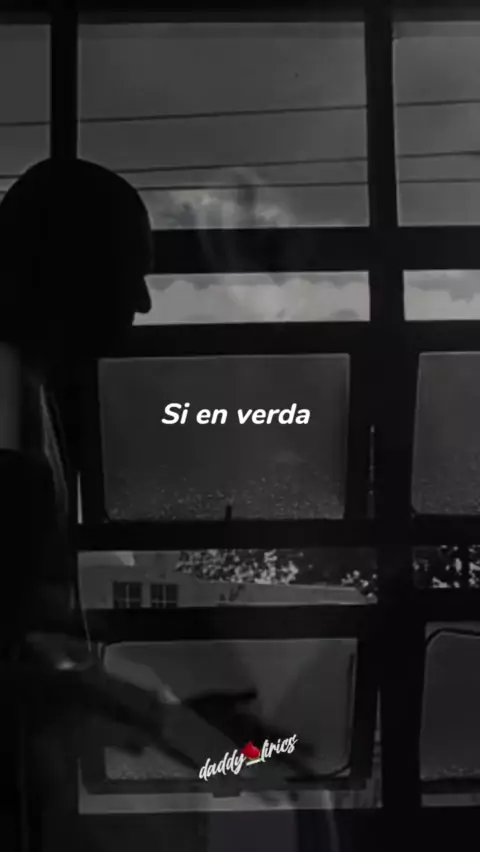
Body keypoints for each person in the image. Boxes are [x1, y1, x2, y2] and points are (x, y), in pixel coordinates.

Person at [0, 158, 313, 848]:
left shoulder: (27, 393)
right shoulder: (14, 415)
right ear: (66, 271)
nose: (142, 302)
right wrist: (172, 720)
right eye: (128, 272)